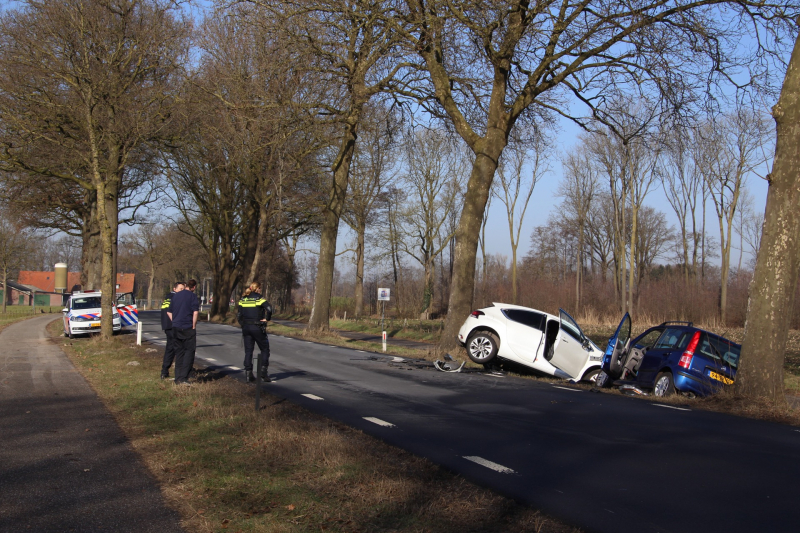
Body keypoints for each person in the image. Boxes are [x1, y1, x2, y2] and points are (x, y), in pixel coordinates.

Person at [236, 282, 273, 383]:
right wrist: (267, 319)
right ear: (257, 289)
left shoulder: (243, 299)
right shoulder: (259, 298)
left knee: (248, 351)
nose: (260, 290)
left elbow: (239, 315)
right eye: (260, 288)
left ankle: (248, 374)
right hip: (257, 327)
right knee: (265, 349)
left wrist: (243, 324)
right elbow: (269, 308)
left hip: (246, 328)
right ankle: (263, 372)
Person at [167, 278, 200, 385]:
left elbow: (169, 312)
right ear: (193, 287)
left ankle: (177, 377)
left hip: (176, 327)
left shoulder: (175, 296)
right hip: (188, 327)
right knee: (189, 352)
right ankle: (183, 377)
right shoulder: (192, 296)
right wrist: (193, 325)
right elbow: (195, 313)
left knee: (179, 352)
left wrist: (175, 321)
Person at [160, 281, 185, 379]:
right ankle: (177, 373)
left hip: (167, 326)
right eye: (180, 289)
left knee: (170, 348)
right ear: (175, 289)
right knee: (177, 349)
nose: (182, 291)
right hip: (173, 326)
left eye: (183, 289)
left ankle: (165, 371)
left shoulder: (168, 298)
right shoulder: (175, 298)